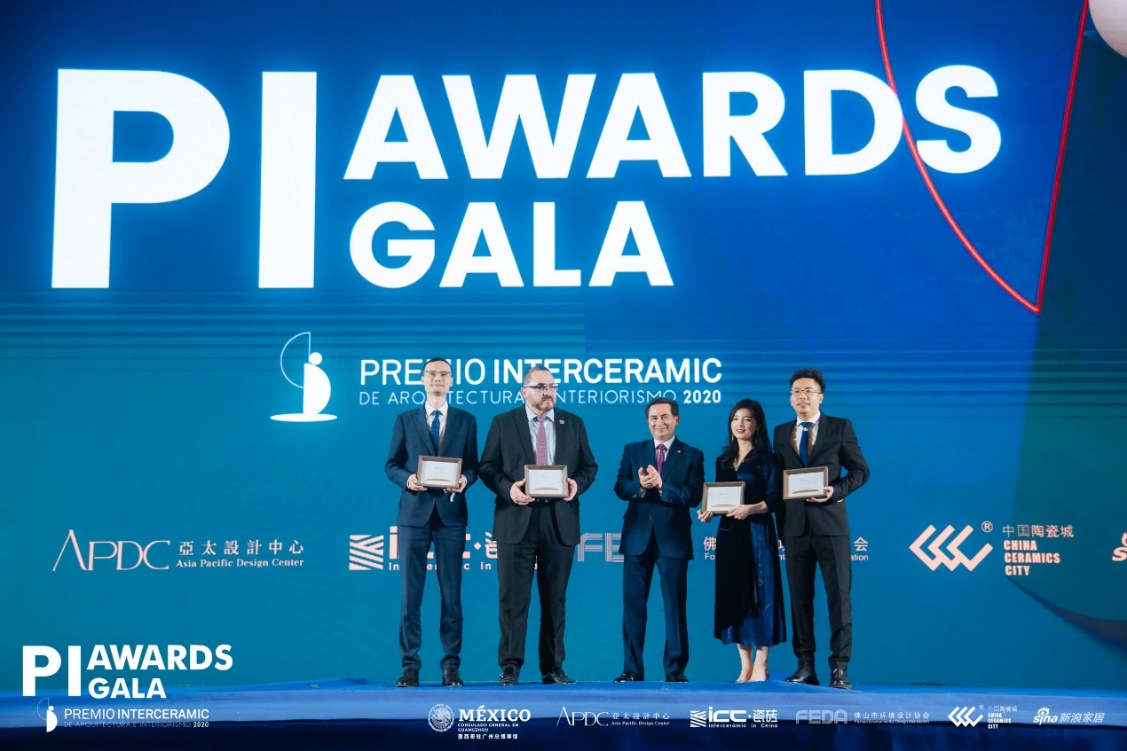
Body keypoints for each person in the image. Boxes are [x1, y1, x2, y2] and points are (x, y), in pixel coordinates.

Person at [479, 366, 598, 686]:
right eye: (541, 386)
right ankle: (510, 666)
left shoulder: (573, 423)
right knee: (512, 598)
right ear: (524, 392)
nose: (548, 392)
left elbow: (589, 466)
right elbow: (487, 466)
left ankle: (553, 667)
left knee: (555, 599)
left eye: (552, 386)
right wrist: (509, 489)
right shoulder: (503, 422)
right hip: (516, 516)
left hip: (559, 519)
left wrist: (577, 484)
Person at [384, 357, 479, 688]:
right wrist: (408, 480)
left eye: (444, 374)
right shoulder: (405, 419)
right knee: (410, 596)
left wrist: (465, 480)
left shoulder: (466, 420)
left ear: (451, 380)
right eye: (432, 374)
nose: (438, 378)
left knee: (452, 595)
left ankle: (451, 666)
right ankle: (410, 666)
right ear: (423, 380)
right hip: (414, 515)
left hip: (451, 515)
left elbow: (473, 466)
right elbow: (391, 465)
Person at [774, 368, 869, 690]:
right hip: (795, 529)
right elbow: (779, 483)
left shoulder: (840, 427)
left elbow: (860, 471)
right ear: (790, 399)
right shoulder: (780, 432)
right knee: (799, 600)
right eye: (797, 392)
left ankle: (839, 668)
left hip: (831, 526)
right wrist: (781, 529)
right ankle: (805, 665)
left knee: (838, 599)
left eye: (808, 391)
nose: (802, 396)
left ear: (820, 397)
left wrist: (835, 491)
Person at [613, 397, 704, 683]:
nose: (659, 422)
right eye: (653, 418)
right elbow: (620, 486)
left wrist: (663, 486)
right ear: (647, 421)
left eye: (665, 417)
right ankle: (632, 669)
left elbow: (693, 495)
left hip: (673, 538)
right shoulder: (633, 450)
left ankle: (675, 669)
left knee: (674, 607)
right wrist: (640, 486)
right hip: (637, 537)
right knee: (632, 606)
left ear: (677, 419)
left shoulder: (692, 454)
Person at [697, 399, 786, 682]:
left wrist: (751, 508)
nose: (740, 424)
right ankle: (745, 665)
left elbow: (776, 499)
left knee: (761, 595)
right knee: (734, 596)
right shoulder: (723, 460)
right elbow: (719, 497)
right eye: (736, 418)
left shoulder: (767, 459)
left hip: (758, 533)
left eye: (747, 419)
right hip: (729, 536)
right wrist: (709, 511)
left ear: (757, 424)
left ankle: (761, 663)